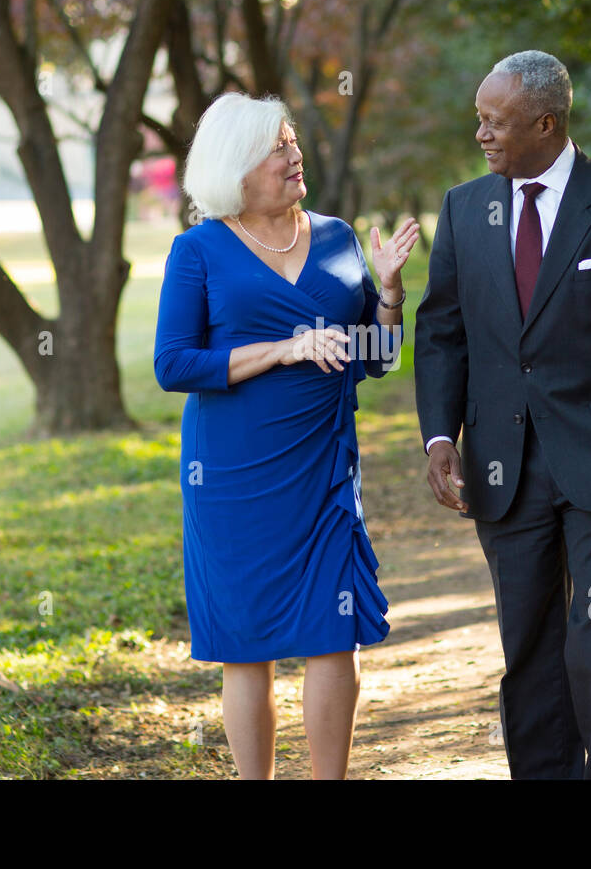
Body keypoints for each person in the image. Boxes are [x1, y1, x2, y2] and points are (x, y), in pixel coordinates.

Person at [414, 50, 591, 779]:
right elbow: (442, 329)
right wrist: (441, 437)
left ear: (546, 122)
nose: (481, 135)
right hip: (502, 465)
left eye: (495, 122)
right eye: (478, 119)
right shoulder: (464, 209)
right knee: (528, 643)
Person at [154, 92, 419, 779]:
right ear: (237, 166)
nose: (295, 155)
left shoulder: (336, 238)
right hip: (233, 477)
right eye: (278, 146)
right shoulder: (199, 250)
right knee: (248, 647)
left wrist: (388, 292)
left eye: (294, 141)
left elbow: (376, 357)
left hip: (323, 468)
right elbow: (173, 363)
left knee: (336, 636)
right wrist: (283, 349)